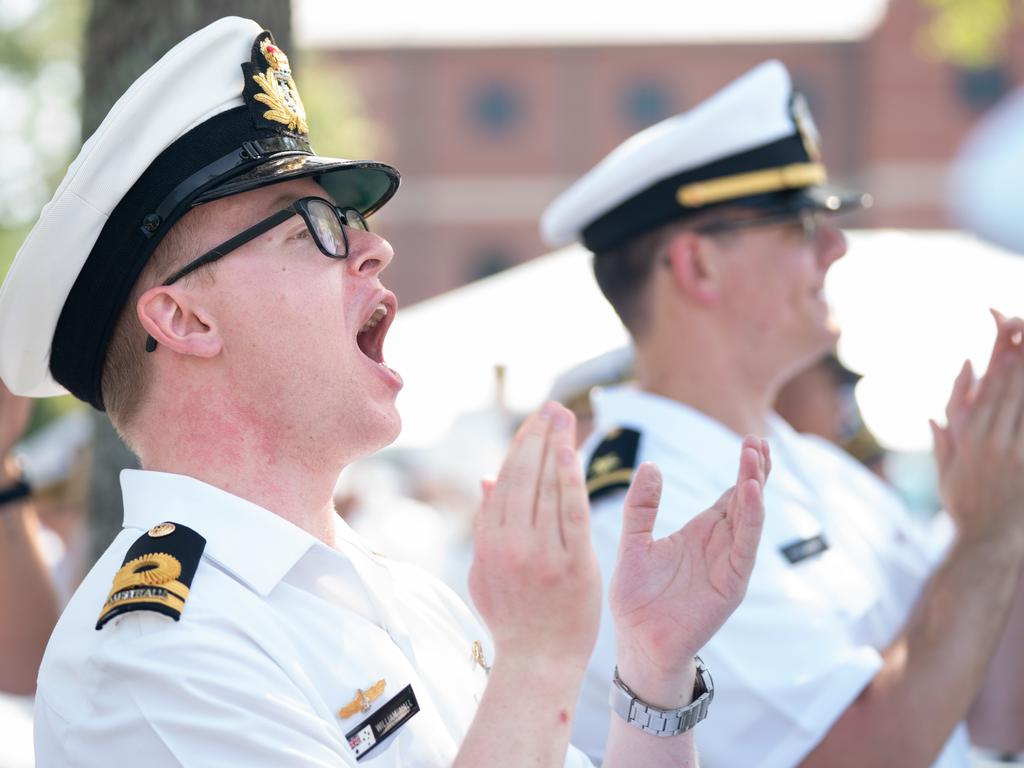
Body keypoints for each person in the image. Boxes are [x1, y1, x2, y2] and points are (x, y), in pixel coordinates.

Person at [0, 17, 772, 767]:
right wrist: (535, 663)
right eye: (312, 227)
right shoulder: (153, 657)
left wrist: (654, 675)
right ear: (184, 317)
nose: (374, 247)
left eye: (353, 219)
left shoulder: (400, 594)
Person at [540, 59, 1024, 767]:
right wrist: (981, 539)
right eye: (800, 225)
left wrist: (1008, 514)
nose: (836, 247)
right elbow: (868, 754)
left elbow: (994, 715)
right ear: (698, 267)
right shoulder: (649, 510)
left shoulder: (811, 465)